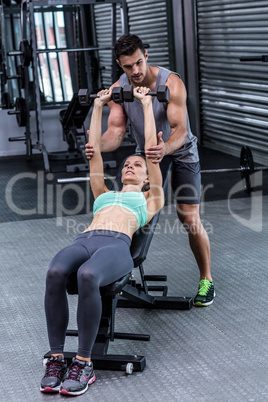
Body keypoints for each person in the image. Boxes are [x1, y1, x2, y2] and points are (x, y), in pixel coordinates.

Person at [40, 86, 164, 396]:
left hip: (116, 247)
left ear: (147, 177)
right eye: (125, 164)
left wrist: (147, 104)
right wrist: (98, 106)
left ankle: (84, 363)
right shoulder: (104, 194)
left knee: (88, 275)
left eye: (136, 165)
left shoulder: (152, 198)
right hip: (86, 240)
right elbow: (93, 148)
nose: (128, 166)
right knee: (55, 272)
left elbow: (151, 147)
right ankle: (56, 359)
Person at [85, 34, 215, 307]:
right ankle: (122, 270)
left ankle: (207, 280)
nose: (135, 71)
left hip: (179, 151)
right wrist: (95, 147)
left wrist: (165, 148)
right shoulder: (118, 90)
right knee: (136, 209)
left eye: (139, 63)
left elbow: (180, 129)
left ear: (147, 55)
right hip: (148, 151)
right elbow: (116, 132)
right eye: (128, 66)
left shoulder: (171, 83)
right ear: (120, 65)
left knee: (189, 217)